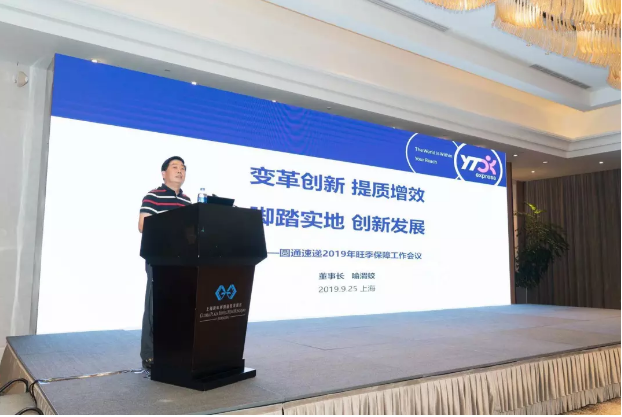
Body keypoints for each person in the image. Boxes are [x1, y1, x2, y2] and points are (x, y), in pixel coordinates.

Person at [138, 156, 192, 369]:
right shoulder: (153, 196)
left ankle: (173, 350)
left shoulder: (187, 201)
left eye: (183, 168)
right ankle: (149, 354)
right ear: (164, 173)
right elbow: (143, 225)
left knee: (178, 306)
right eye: (175, 167)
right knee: (155, 306)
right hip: (159, 258)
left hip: (182, 260)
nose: (180, 171)